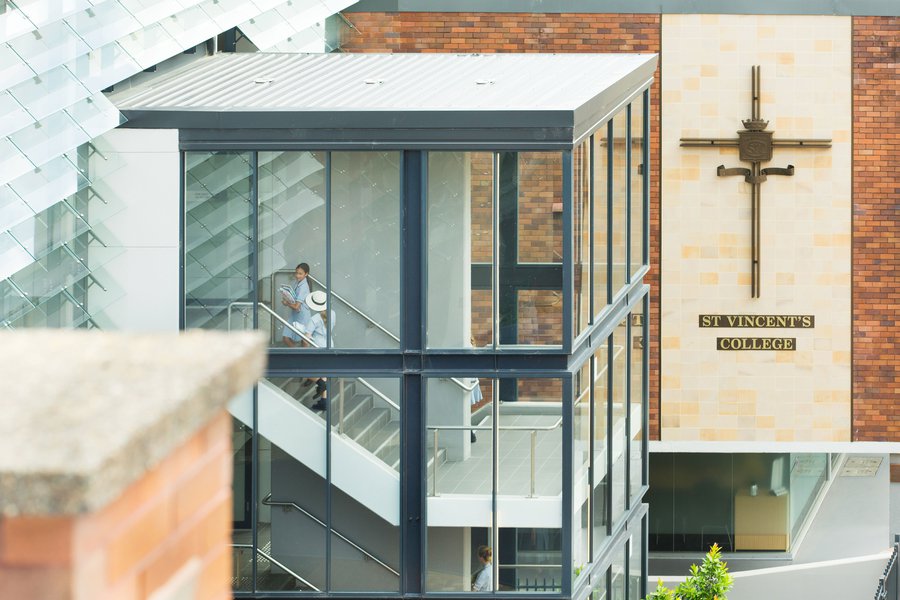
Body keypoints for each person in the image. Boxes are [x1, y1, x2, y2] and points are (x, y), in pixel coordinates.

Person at [304, 290, 334, 411]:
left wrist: (304, 350)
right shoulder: (333, 313)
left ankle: (320, 383)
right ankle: (324, 402)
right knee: (324, 372)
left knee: (303, 370)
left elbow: (306, 338)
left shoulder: (314, 319)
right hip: (329, 344)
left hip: (317, 347)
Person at [280, 263, 311, 347]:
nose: (297, 275)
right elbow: (294, 299)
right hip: (295, 314)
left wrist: (287, 303)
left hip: (302, 315)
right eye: (296, 273)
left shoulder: (304, 286)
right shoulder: (297, 283)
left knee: (303, 340)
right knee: (286, 337)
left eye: (300, 274)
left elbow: (297, 306)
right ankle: (299, 355)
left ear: (306, 274)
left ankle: (303, 358)